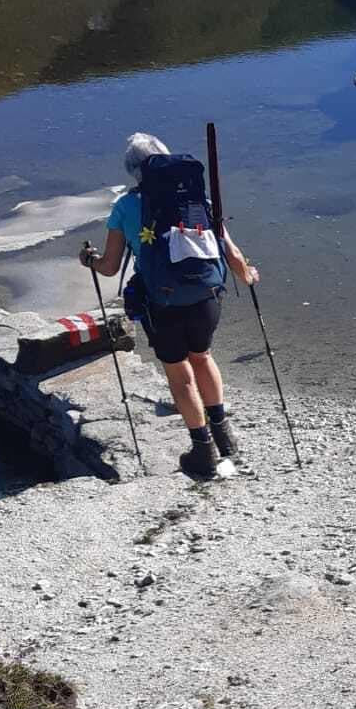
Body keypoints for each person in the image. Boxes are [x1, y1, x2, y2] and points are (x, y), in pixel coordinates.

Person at [81, 132, 259, 480]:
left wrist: (89, 260)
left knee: (179, 374)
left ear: (133, 170)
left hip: (162, 302)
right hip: (207, 297)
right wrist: (247, 276)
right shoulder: (197, 198)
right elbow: (230, 251)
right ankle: (225, 436)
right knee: (203, 357)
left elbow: (110, 267)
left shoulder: (125, 206)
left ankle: (203, 451)